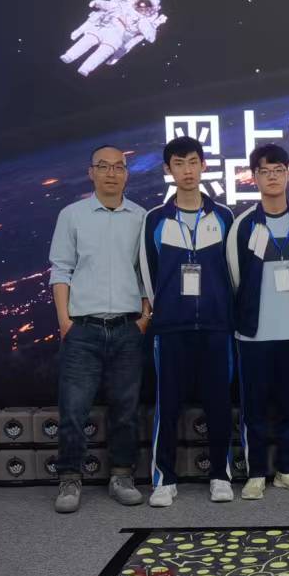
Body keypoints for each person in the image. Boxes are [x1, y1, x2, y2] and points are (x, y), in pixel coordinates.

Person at [47, 144, 151, 514]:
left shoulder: (141, 217)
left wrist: (143, 318)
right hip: (82, 329)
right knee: (74, 410)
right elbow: (61, 269)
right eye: (103, 166)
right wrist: (65, 321)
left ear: (126, 173)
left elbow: (145, 273)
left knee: (125, 409)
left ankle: (122, 476)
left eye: (118, 167)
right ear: (91, 172)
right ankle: (69, 478)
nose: (111, 173)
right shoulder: (72, 215)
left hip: (127, 328)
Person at [138, 136, 236, 506]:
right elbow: (148, 273)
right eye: (179, 164)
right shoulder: (155, 219)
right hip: (171, 328)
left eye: (193, 162)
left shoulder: (223, 216)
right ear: (168, 170)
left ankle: (220, 475)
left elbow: (233, 273)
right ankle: (164, 479)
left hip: (216, 326)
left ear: (204, 165)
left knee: (219, 404)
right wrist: (162, 312)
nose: (187, 170)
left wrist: (222, 310)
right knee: (167, 405)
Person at [227, 144, 289, 500]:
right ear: (253, 177)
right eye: (264, 171)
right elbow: (234, 278)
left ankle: (286, 469)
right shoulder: (242, 225)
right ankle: (256, 473)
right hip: (254, 336)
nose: (272, 177)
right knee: (253, 408)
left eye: (278, 170)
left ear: (288, 173)